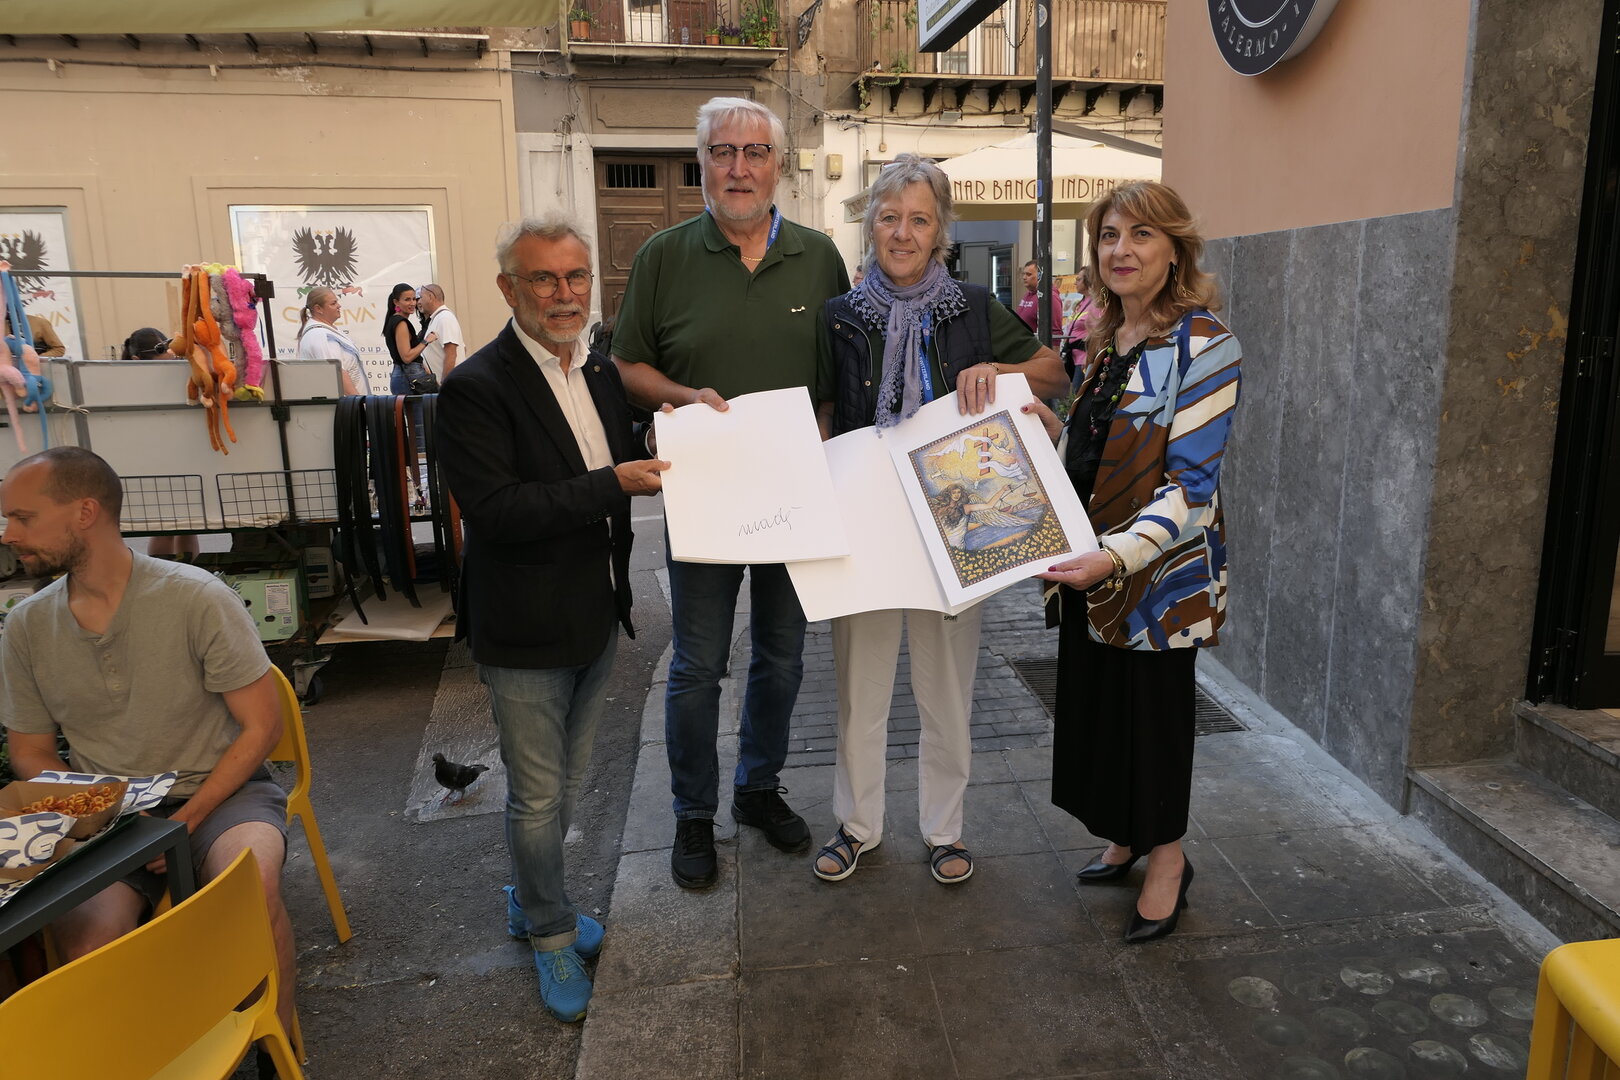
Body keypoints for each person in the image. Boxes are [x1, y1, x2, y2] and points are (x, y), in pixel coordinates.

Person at [611, 96, 849, 890]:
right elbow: (628, 365)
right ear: (702, 163)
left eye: (754, 153)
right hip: (705, 495)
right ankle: (692, 812)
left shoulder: (819, 257)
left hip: (791, 494)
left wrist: (823, 431)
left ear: (779, 166)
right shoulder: (663, 256)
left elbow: (836, 373)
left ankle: (756, 788)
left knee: (782, 656)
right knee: (698, 664)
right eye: (723, 152)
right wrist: (681, 399)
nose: (738, 168)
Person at [435, 213, 668, 1023]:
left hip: (594, 612)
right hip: (524, 626)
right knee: (538, 798)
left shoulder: (597, 370)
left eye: (576, 277)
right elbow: (497, 511)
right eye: (544, 278)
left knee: (566, 785)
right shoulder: (476, 387)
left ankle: (531, 896)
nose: (564, 294)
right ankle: (549, 932)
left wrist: (688, 434)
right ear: (510, 288)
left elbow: (618, 449)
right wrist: (615, 484)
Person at [813, 154, 1066, 886]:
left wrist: (999, 371)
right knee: (859, 689)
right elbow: (825, 409)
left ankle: (944, 830)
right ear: (871, 225)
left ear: (940, 232)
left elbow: (1053, 371)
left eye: (919, 220)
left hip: (957, 523)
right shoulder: (839, 316)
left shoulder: (973, 308)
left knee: (948, 689)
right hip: (867, 522)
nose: (902, 233)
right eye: (890, 217)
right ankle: (857, 826)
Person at [0, 446, 296, 1030]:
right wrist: (101, 809)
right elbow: (30, 753)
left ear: (85, 512)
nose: (8, 533)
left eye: (22, 517)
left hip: (222, 795)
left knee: (251, 889)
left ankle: (278, 1047)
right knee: (89, 947)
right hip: (107, 818)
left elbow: (264, 726)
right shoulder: (27, 626)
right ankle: (149, 1052)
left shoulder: (195, 597)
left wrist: (186, 819)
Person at [1026, 181, 1242, 944]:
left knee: (1152, 725)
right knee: (1101, 714)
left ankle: (1168, 861)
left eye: (1141, 235)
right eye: (1110, 235)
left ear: (1175, 249)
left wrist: (1110, 558)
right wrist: (1043, 429)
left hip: (1157, 580)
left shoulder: (1206, 344)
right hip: (1087, 570)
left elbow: (1191, 486)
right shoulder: (1105, 335)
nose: (1121, 250)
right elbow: (1096, 449)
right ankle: (1124, 836)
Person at [296, 287, 369, 395]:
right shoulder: (320, 336)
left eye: (337, 302)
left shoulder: (328, 330)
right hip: (345, 403)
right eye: (333, 303)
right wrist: (358, 402)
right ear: (318, 309)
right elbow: (337, 374)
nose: (339, 306)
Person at [383, 281, 435, 395]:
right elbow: (406, 357)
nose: (412, 303)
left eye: (414, 299)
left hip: (403, 375)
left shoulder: (394, 320)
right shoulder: (401, 323)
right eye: (407, 300)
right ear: (396, 302)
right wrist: (426, 341)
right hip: (409, 377)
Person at [1060, 266, 1101, 381]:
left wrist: (1090, 356)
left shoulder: (1096, 304)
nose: (1075, 283)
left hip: (1083, 358)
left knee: (1077, 389)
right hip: (1072, 356)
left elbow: (1097, 333)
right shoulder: (1081, 303)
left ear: (1088, 280)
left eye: (1078, 279)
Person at [418, 283, 464, 378]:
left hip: (450, 383)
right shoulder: (437, 318)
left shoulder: (445, 318)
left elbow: (451, 354)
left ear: (430, 297)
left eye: (421, 297)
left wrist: (445, 381)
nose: (419, 302)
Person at [1016, 259, 1063, 338]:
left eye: (1029, 274)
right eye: (1024, 274)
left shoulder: (1050, 297)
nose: (1024, 277)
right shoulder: (1028, 294)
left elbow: (1055, 332)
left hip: (1035, 344)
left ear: (1040, 276)